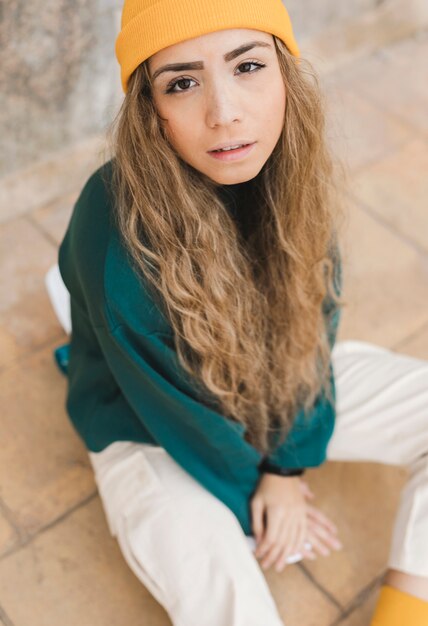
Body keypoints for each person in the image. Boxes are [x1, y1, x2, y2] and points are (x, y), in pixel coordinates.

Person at [54, 0, 428, 624]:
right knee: (228, 598)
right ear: (153, 114)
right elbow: (179, 417)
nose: (224, 114)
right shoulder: (116, 234)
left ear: (285, 74)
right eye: (182, 82)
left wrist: (288, 460)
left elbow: (315, 315)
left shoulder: (290, 165)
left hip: (270, 379)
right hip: (151, 428)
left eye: (247, 66)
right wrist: (259, 488)